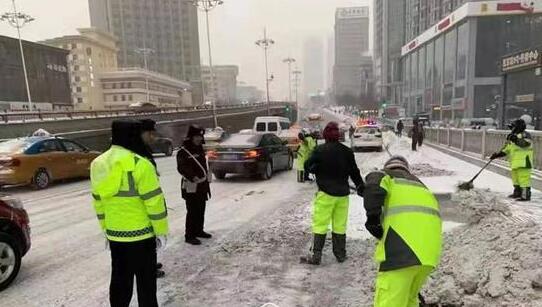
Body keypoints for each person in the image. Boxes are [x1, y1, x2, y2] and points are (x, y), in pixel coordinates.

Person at [91, 120, 169, 307]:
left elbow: (98, 202)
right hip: (142, 236)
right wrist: (161, 231)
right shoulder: (140, 164)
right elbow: (154, 203)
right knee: (146, 283)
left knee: (119, 280)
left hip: (116, 235)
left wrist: (106, 229)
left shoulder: (98, 163)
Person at [363, 156, 442, 307]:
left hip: (402, 251)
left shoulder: (384, 175)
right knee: (409, 300)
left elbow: (373, 186)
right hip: (429, 256)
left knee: (389, 302)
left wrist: (373, 220)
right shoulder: (421, 186)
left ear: (389, 167)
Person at [300, 122, 364, 265]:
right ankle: (340, 254)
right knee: (340, 225)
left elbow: (307, 166)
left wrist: (315, 169)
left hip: (325, 194)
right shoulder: (347, 152)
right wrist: (361, 186)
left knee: (320, 224)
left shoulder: (319, 150)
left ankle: (316, 255)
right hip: (342, 195)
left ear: (325, 135)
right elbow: (354, 172)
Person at [177, 124, 212, 245]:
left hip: (202, 185)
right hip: (191, 185)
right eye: (196, 136)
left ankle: (199, 230)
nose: (198, 139)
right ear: (191, 137)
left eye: (200, 136)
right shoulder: (183, 152)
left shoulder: (200, 149)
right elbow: (181, 167)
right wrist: (192, 176)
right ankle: (189, 235)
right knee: (192, 210)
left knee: (201, 208)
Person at [140, 119, 166, 278]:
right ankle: (148, 267)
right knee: (147, 238)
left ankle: (151, 262)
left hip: (152, 194)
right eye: (150, 134)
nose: (153, 137)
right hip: (144, 202)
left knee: (151, 237)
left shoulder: (144, 149)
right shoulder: (138, 151)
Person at [490, 118, 534, 201]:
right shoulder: (513, 137)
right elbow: (507, 149)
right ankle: (517, 193)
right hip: (515, 162)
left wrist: (515, 139)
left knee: (524, 179)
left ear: (517, 127)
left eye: (512, 127)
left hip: (524, 162)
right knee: (516, 179)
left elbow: (525, 144)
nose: (511, 129)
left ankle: (525, 195)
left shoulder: (525, 135)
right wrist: (497, 155)